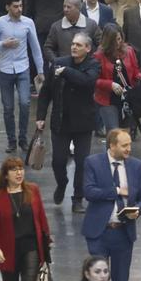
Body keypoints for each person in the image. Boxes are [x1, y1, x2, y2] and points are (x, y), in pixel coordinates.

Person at [37, 34, 100, 212]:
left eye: (78, 45)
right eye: (72, 44)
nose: (74, 47)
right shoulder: (59, 62)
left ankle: (77, 199)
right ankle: (62, 182)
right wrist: (40, 116)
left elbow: (87, 81)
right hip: (61, 121)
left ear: (87, 49)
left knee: (82, 162)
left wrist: (65, 72)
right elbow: (46, 92)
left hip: (83, 123)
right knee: (58, 161)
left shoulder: (93, 65)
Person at [81, 129, 141, 281]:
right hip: (99, 232)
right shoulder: (93, 162)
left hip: (123, 233)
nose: (129, 149)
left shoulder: (136, 166)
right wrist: (117, 191)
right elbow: (89, 192)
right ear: (112, 145)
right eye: (124, 145)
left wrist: (138, 210)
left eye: (130, 145)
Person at [0, 0, 45, 154]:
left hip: (23, 67)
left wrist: (40, 70)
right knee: (8, 107)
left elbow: (36, 48)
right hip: (5, 69)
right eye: (15, 6)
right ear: (8, 7)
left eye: (20, 6)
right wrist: (2, 44)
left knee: (24, 103)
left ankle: (23, 138)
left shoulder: (28, 23)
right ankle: (11, 141)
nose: (19, 9)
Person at [93, 24, 141, 136]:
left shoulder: (129, 51)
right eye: (113, 41)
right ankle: (110, 153)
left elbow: (135, 72)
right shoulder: (99, 55)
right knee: (114, 133)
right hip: (107, 100)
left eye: (119, 39)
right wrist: (110, 84)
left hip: (127, 98)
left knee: (125, 134)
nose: (117, 43)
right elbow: (94, 80)